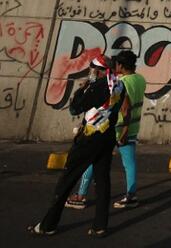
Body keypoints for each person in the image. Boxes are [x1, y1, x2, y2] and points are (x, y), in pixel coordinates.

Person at [28, 55, 125, 237]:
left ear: (100, 70)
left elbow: (75, 108)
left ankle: (48, 225)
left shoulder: (98, 87)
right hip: (107, 136)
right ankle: (99, 225)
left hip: (90, 138)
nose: (91, 72)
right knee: (102, 181)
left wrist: (84, 88)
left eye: (94, 69)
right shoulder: (119, 85)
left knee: (67, 180)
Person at [67, 50, 146, 211]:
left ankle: (81, 196)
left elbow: (124, 107)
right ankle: (131, 195)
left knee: (92, 160)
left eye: (116, 64)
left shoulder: (120, 82)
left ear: (121, 66)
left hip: (115, 127)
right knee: (129, 163)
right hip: (132, 127)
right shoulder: (140, 79)